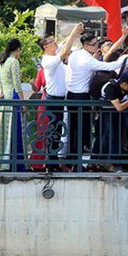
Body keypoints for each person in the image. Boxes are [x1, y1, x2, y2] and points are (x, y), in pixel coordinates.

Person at [65, 32, 128, 158]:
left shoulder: (76, 55)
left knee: (74, 129)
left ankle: (72, 160)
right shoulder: (87, 60)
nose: (97, 46)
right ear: (86, 45)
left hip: (71, 95)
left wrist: (122, 38)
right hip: (81, 97)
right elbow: (109, 65)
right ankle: (75, 161)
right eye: (94, 44)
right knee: (80, 130)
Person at [39, 23, 83, 166]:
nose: (55, 43)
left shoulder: (54, 58)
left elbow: (64, 46)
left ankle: (54, 161)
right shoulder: (47, 61)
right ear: (45, 47)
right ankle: (51, 162)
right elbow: (64, 51)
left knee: (57, 130)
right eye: (51, 42)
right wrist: (74, 32)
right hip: (53, 99)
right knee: (53, 131)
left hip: (60, 98)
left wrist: (73, 33)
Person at [0, 39, 29, 171]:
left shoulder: (3, 62)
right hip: (13, 97)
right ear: (18, 49)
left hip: (5, 99)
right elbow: (17, 84)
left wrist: (1, 92)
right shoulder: (13, 62)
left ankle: (4, 162)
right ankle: (17, 164)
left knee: (6, 131)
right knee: (16, 131)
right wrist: (22, 101)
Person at [99, 71, 128, 171]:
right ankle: (114, 164)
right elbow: (119, 107)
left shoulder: (126, 88)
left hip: (124, 109)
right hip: (108, 112)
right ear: (124, 84)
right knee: (112, 136)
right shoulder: (110, 87)